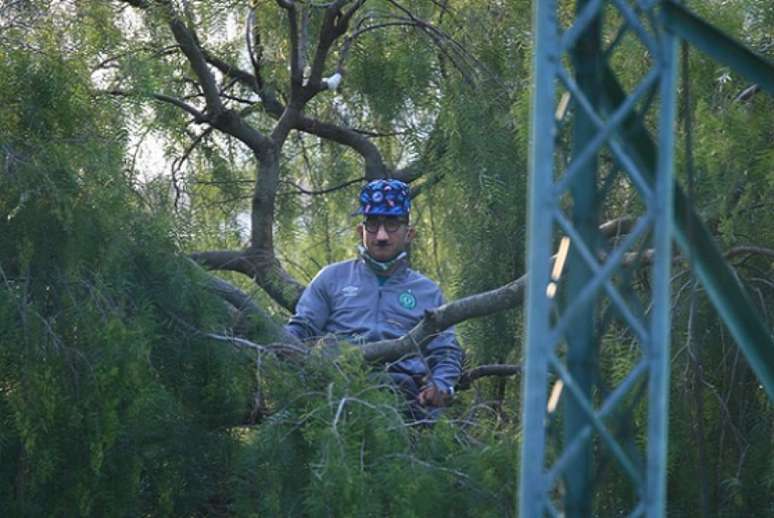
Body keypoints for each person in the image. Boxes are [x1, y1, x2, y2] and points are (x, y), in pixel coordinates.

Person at [285, 179, 464, 419]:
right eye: (372, 224)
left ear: (409, 233)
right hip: (336, 392)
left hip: (406, 400)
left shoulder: (428, 291)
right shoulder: (331, 278)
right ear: (361, 231)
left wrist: (441, 385)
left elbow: (446, 351)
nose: (381, 236)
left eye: (392, 224)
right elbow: (300, 330)